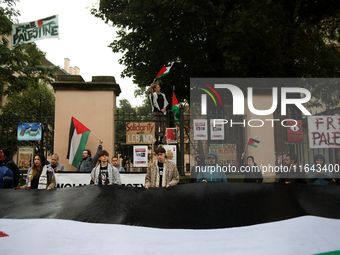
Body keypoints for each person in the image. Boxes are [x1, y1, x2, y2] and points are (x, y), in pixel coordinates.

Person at [149, 81, 169, 145]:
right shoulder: (154, 94)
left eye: (159, 87)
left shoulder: (163, 95)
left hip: (162, 112)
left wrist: (164, 109)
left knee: (163, 125)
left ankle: (161, 139)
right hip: (156, 112)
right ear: (155, 89)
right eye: (158, 87)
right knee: (156, 126)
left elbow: (166, 102)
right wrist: (150, 88)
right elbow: (151, 95)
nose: (159, 88)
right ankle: (157, 139)